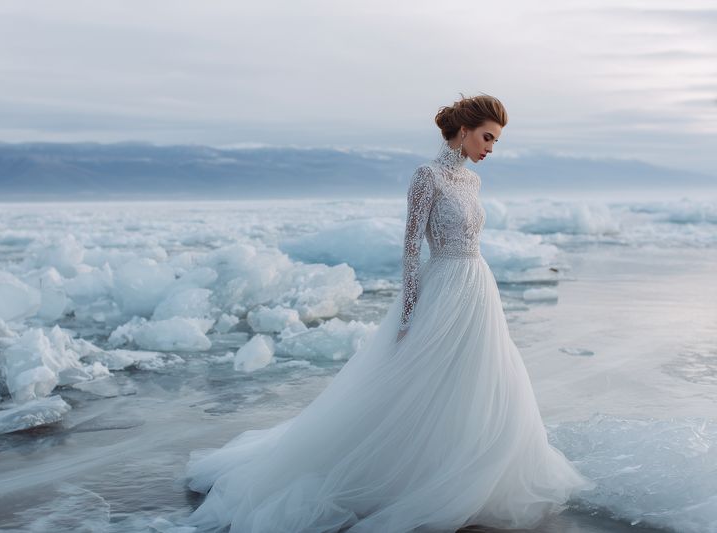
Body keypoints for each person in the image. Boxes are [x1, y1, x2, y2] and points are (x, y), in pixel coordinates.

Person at [180, 94, 595, 533]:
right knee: (419, 385)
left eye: (495, 141)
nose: (490, 149)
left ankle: (463, 471)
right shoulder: (426, 177)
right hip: (442, 288)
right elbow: (411, 246)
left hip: (478, 288)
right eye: (487, 137)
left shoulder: (472, 183)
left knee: (479, 381)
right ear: (464, 130)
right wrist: (410, 310)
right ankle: (407, 475)